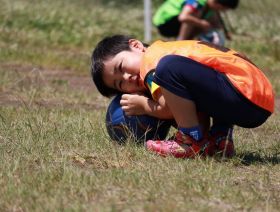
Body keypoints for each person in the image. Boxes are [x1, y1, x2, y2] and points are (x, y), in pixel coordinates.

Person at [91, 35, 274, 159]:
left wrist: (144, 105)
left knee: (169, 68)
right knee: (189, 85)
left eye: (121, 67)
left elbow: (168, 109)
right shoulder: (171, 48)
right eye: (120, 84)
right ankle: (219, 138)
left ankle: (189, 140)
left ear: (137, 46)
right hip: (258, 98)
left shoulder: (151, 61)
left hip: (242, 92)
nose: (126, 78)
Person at [153, 0, 239, 45]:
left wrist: (224, 33)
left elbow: (218, 22)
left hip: (176, 22)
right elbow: (183, 17)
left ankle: (195, 46)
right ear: (217, 3)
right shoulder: (198, 1)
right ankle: (180, 44)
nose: (223, 11)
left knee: (210, 18)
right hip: (165, 22)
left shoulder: (211, 7)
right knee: (194, 16)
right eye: (223, 9)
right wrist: (201, 23)